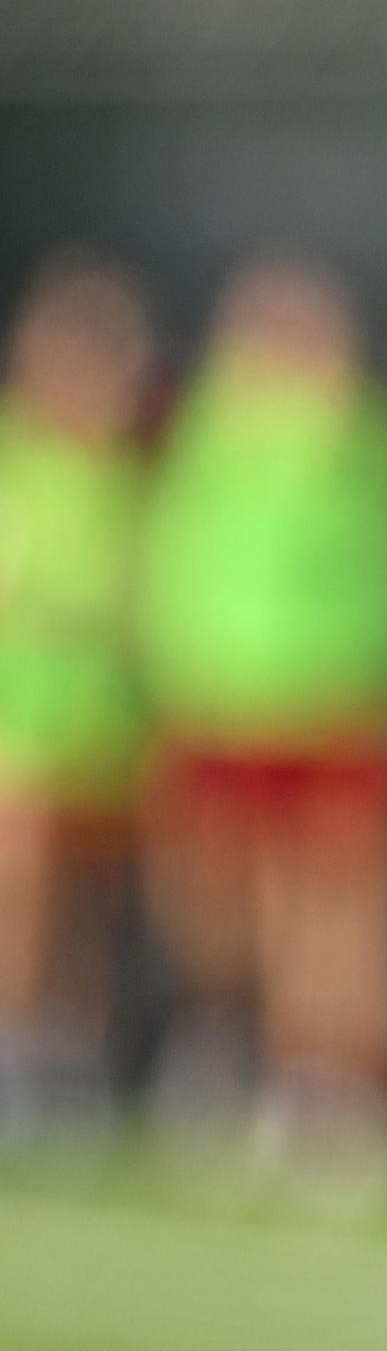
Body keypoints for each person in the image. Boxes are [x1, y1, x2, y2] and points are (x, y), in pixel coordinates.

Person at [139, 254, 387, 1173]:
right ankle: (249, 1056)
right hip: (221, 703)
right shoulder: (207, 425)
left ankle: (338, 1083)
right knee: (230, 911)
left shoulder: (361, 431)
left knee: (340, 913)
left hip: (340, 702)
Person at [0, 252, 154, 1138]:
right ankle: (20, 1054)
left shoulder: (126, 474)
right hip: (24, 728)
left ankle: (70, 1061)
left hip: (105, 731)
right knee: (25, 901)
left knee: (89, 917)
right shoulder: (20, 460)